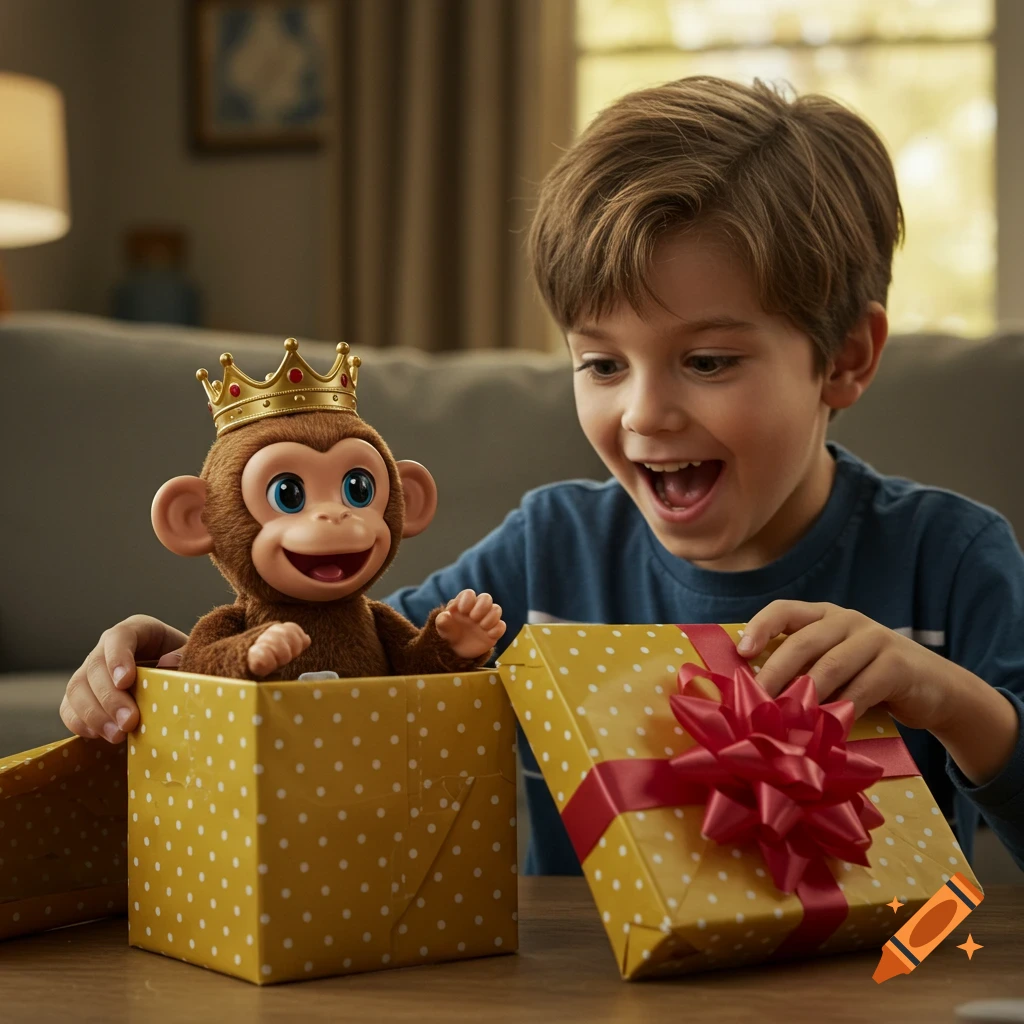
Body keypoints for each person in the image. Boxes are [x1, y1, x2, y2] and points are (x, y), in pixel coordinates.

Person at [61, 76, 1024, 876]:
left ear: (846, 359)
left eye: (709, 362)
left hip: (899, 974)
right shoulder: (546, 553)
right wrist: (172, 665)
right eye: (602, 365)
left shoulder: (950, 559)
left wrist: (958, 707)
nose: (643, 413)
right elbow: (334, 675)